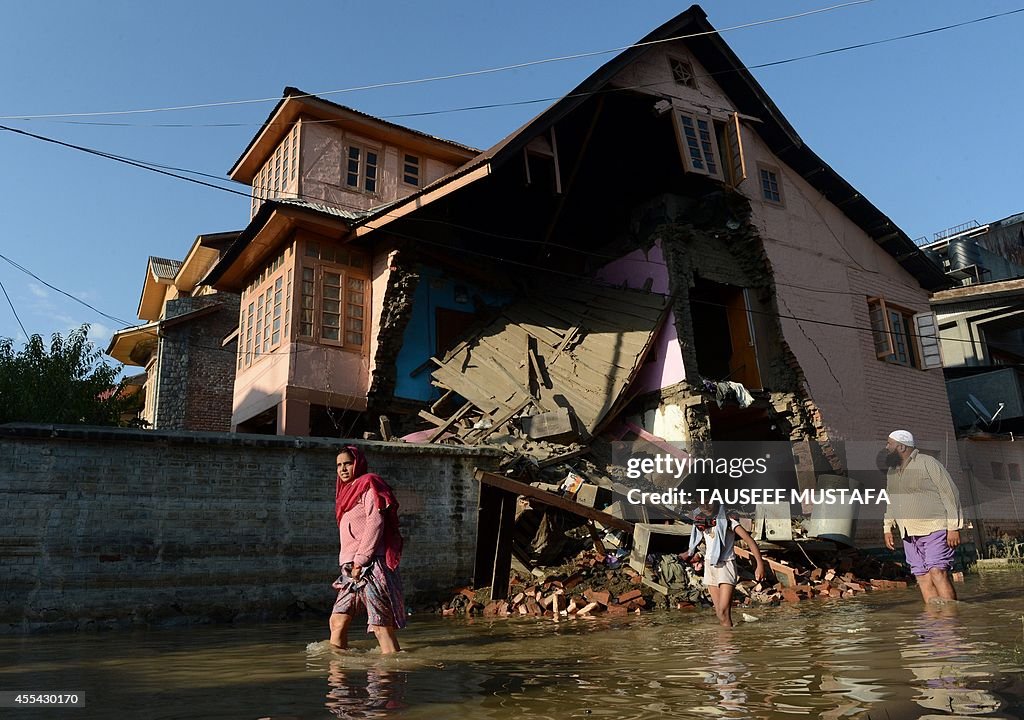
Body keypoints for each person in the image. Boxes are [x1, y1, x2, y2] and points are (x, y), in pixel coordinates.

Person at [329, 445, 406, 654]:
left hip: (370, 565)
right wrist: (352, 563)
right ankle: (337, 680)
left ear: (358, 463)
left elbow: (375, 522)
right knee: (337, 621)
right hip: (350, 569)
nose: (343, 469)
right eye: (339, 465)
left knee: (381, 627)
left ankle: (391, 677)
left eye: (348, 463)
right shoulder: (346, 492)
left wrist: (361, 560)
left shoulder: (369, 484)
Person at [882, 430, 964, 603]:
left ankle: (950, 620)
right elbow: (891, 501)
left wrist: (953, 527)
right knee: (922, 577)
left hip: (935, 528)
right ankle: (935, 621)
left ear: (901, 446)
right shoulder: (892, 472)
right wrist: (887, 527)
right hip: (908, 533)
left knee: (937, 572)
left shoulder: (928, 463)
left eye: (889, 444)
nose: (886, 447)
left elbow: (950, 494)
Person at [679, 502, 765, 627]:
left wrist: (760, 565)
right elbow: (696, 541)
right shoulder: (701, 522)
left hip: (726, 565)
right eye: (702, 504)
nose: (706, 507)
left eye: (708, 503)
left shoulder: (728, 520)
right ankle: (726, 642)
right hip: (710, 565)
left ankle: (728, 643)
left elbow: (750, 541)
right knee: (719, 613)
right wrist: (688, 553)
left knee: (723, 611)